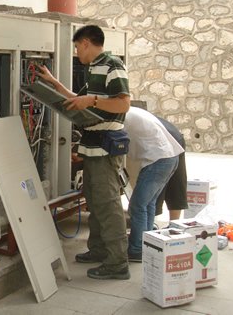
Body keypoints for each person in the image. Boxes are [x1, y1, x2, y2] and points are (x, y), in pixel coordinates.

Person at [38, 25, 131, 280]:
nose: (77, 52)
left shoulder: (112, 65)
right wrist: (53, 82)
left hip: (105, 146)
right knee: (94, 199)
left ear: (87, 43)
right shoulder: (93, 70)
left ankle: (117, 263)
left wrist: (91, 101)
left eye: (78, 46)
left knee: (107, 202)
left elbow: (124, 103)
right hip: (92, 146)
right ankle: (99, 250)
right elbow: (76, 100)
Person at [122, 106, 185, 261]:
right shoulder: (131, 110)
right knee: (148, 204)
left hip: (159, 160)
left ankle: (137, 249)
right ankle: (146, 243)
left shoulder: (119, 115)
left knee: (138, 205)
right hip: (169, 157)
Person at [155, 116, 188, 221]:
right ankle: (175, 224)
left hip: (161, 139)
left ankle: (149, 227)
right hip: (174, 134)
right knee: (177, 179)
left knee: (152, 182)